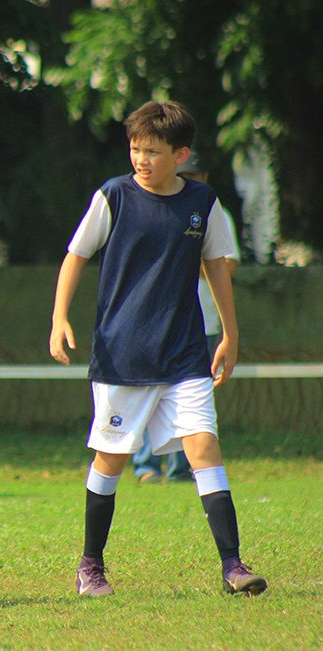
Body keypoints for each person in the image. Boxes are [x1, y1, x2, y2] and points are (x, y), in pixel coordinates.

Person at [49, 101, 267, 597]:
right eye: (135, 149)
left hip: (185, 353)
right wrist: (60, 317)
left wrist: (231, 334)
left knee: (204, 448)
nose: (140, 159)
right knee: (111, 460)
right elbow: (75, 255)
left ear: (181, 154)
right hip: (121, 354)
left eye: (152, 151)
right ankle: (91, 565)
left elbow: (217, 266)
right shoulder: (114, 196)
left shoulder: (202, 202)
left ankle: (233, 565)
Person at [131, 150, 240, 484]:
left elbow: (228, 264)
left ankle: (182, 468)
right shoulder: (154, 206)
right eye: (185, 175)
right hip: (155, 323)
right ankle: (146, 466)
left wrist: (193, 259)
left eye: (195, 177)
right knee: (149, 391)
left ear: (205, 178)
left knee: (189, 402)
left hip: (201, 324)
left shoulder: (211, 210)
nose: (189, 182)